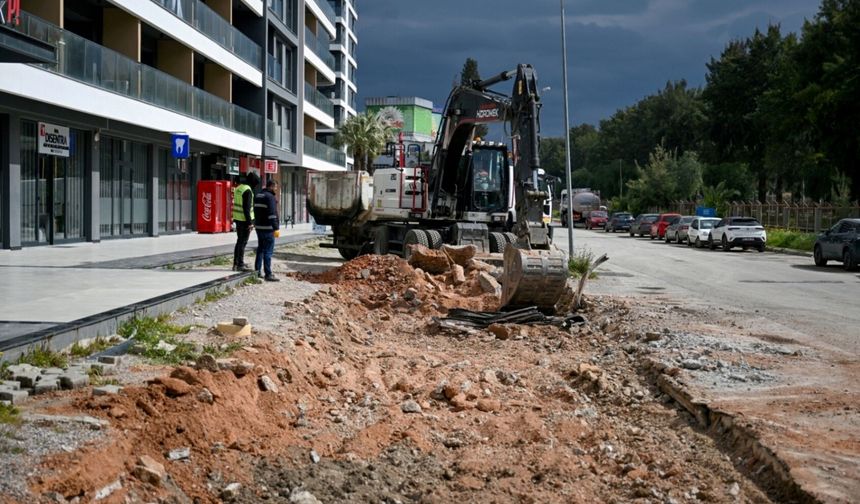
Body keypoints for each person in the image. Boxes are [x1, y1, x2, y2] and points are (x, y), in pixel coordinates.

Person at [254, 178, 280, 281]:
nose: (276, 189)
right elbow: (272, 214)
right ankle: (268, 274)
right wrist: (276, 228)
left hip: (259, 227)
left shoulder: (258, 195)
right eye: (276, 187)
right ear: (272, 186)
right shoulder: (270, 197)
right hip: (268, 228)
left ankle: (257, 271)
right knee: (268, 251)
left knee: (260, 249)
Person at [232, 171, 259, 271]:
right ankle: (240, 264)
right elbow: (246, 209)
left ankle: (236, 263)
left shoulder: (239, 188)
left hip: (238, 219)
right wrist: (250, 223)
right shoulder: (248, 191)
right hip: (245, 220)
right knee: (243, 242)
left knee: (239, 241)